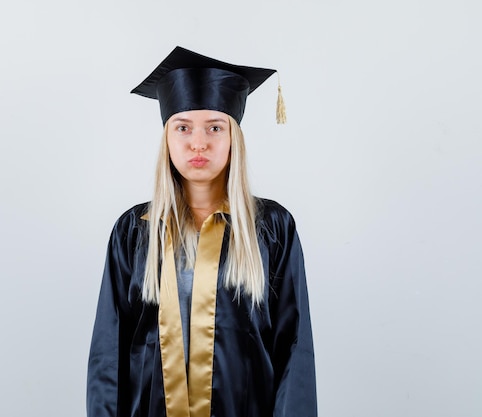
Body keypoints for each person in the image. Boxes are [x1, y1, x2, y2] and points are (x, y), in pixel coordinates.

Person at [86, 46, 317, 417]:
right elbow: (108, 354)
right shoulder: (134, 232)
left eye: (214, 127)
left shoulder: (272, 228)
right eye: (183, 127)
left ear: (233, 137)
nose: (198, 143)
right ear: (167, 137)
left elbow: (293, 347)